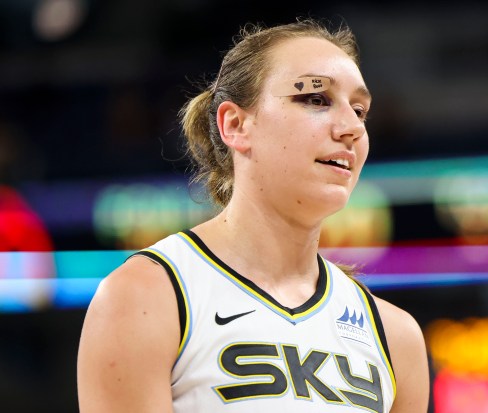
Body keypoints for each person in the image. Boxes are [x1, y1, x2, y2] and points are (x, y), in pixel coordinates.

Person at [77, 17, 429, 413]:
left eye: (360, 109)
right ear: (236, 124)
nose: (351, 127)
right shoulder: (146, 296)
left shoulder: (395, 337)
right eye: (316, 99)